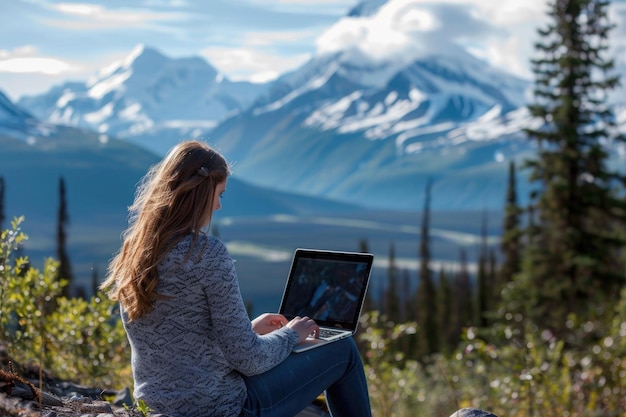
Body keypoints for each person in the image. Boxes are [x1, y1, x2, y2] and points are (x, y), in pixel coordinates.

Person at [101, 140, 498, 417]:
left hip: (156, 405)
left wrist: (252, 328)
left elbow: (179, 340)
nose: (220, 204)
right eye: (219, 193)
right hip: (220, 409)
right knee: (342, 351)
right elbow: (250, 360)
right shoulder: (206, 254)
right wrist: (292, 333)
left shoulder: (135, 253)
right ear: (200, 193)